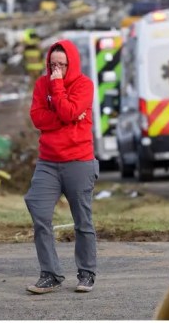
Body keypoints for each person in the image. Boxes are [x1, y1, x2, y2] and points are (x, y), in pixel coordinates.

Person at [25, 40, 98, 294]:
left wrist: (58, 92)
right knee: (38, 209)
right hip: (48, 161)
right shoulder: (40, 84)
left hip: (79, 160)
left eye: (61, 65)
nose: (56, 70)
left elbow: (69, 112)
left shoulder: (84, 85)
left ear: (71, 64)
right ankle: (50, 273)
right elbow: (37, 117)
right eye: (52, 64)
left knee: (82, 221)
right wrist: (64, 116)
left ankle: (87, 272)